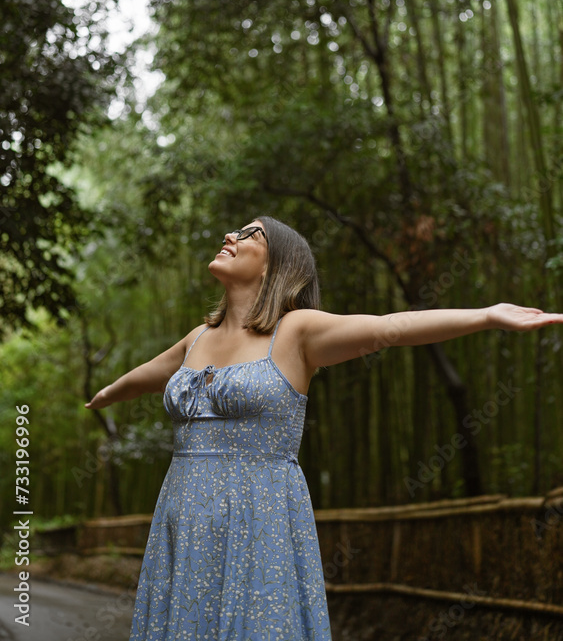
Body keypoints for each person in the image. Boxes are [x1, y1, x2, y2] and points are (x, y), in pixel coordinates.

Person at [85, 215, 563, 641]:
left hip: (259, 512)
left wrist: (485, 316)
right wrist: (108, 393)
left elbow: (389, 327)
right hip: (184, 512)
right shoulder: (197, 338)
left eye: (251, 234)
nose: (231, 235)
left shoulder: (296, 331)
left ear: (278, 267)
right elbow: (151, 373)